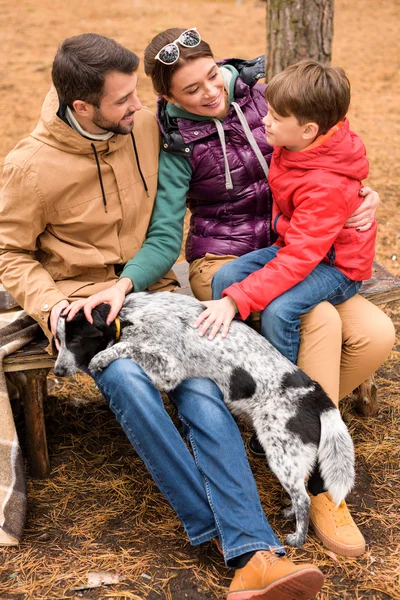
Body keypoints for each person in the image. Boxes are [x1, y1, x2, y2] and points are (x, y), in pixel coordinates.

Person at [0, 33, 326, 600]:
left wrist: (348, 191)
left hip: (152, 290)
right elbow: (9, 252)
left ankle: (250, 553)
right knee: (128, 379)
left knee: (199, 388)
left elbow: (168, 221)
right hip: (80, 303)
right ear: (83, 108)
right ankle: (242, 544)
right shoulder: (30, 167)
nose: (141, 108)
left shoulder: (148, 126)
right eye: (124, 99)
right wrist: (53, 307)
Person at [136, 27, 394, 561]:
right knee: (317, 320)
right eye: (191, 90)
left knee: (374, 335)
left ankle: (276, 419)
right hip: (227, 260)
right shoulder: (176, 141)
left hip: (301, 249)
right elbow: (165, 234)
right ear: (169, 100)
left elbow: (332, 145)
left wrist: (361, 197)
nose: (211, 92)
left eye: (212, 75)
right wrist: (130, 281)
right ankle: (320, 478)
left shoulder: (264, 94)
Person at [197, 60, 377, 368]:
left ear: (308, 130)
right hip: (300, 246)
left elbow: (301, 257)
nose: (265, 121)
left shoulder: (325, 186)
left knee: (281, 310)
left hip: (337, 265)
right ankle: (230, 359)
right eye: (268, 111)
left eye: (276, 117)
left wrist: (235, 300)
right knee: (226, 275)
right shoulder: (299, 143)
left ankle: (280, 388)